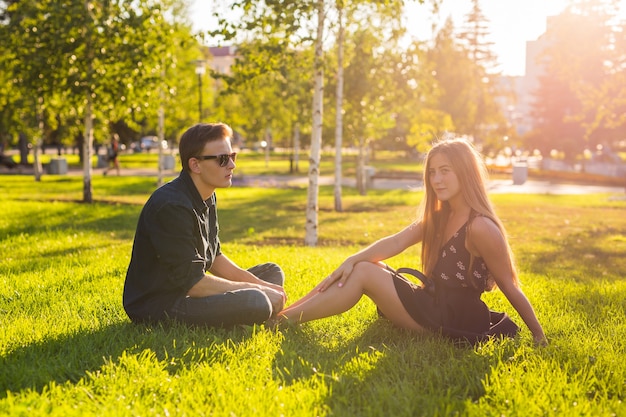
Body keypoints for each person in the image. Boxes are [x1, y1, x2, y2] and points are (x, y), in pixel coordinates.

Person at [279, 138, 547, 345]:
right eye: (432, 172)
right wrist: (350, 259)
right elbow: (396, 242)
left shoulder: (480, 227)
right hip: (431, 302)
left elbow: (510, 286)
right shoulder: (442, 216)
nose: (436, 179)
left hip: (450, 317)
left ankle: (281, 322)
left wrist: (539, 335)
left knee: (363, 272)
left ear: (465, 173)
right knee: (368, 265)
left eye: (445, 171)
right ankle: (283, 315)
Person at [123, 122, 287, 327]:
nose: (232, 165)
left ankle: (250, 313)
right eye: (222, 159)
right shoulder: (171, 206)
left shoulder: (207, 195)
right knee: (256, 300)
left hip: (188, 291)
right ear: (195, 165)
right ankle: (252, 313)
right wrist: (259, 291)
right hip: (159, 304)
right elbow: (192, 284)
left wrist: (262, 285)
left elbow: (214, 257)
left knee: (272, 272)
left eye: (232, 156)